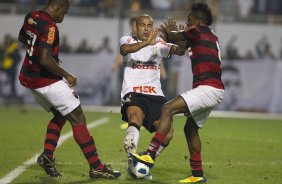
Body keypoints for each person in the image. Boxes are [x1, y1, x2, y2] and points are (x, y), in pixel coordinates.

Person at [18, 0, 120, 179]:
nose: (63, 17)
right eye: (64, 13)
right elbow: (45, 59)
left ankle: (47, 156)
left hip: (29, 78)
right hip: (46, 81)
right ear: (57, 7)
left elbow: (22, 38)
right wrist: (67, 74)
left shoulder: (32, 16)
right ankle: (96, 166)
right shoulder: (50, 27)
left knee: (61, 114)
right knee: (78, 117)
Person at [131, 3, 225, 183]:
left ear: (197, 21)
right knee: (190, 129)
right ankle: (197, 175)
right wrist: (174, 36)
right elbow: (181, 43)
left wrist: (170, 32)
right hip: (214, 90)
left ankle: (150, 154)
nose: (187, 24)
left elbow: (176, 36)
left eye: (189, 20)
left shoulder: (197, 30)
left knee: (167, 108)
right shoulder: (210, 35)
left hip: (208, 89)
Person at [120, 14, 186, 178]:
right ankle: (131, 156)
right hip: (134, 91)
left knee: (168, 132)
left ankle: (145, 160)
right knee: (135, 116)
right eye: (142, 25)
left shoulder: (159, 44)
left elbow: (180, 51)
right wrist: (146, 43)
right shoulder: (127, 40)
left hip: (155, 95)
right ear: (135, 28)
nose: (146, 28)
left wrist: (178, 38)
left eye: (149, 25)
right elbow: (124, 51)